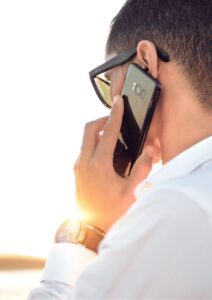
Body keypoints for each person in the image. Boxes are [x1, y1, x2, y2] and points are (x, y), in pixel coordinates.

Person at [28, 0, 212, 299]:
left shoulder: (179, 207)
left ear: (146, 64)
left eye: (109, 83)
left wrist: (88, 231)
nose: (110, 100)